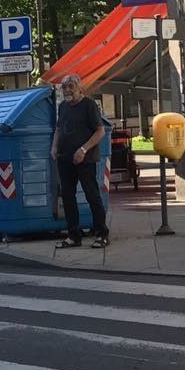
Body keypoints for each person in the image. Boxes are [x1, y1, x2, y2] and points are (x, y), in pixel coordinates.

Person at [51, 74, 109, 249]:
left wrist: (83, 149)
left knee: (92, 195)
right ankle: (73, 235)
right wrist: (54, 147)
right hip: (65, 158)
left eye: (71, 87)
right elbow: (59, 129)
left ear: (79, 88)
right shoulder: (63, 107)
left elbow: (100, 131)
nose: (67, 90)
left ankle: (101, 234)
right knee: (68, 197)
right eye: (64, 88)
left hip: (85, 159)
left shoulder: (89, 105)